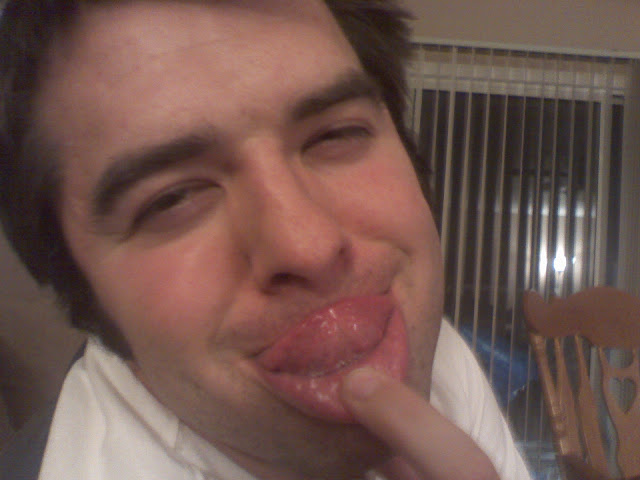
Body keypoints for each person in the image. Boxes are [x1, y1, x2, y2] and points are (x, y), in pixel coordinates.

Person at [0, 1, 532, 479]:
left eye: (335, 134)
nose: (309, 247)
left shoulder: (425, 351)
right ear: (83, 291)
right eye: (173, 198)